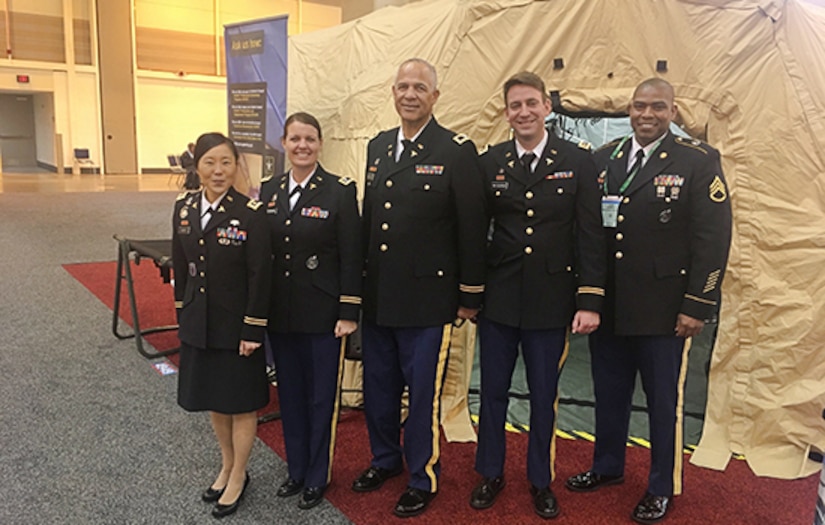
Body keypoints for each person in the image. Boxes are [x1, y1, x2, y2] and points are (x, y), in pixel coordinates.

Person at [565, 78, 732, 524]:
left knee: (663, 403)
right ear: (628, 109)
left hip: (665, 311)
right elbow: (592, 237)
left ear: (672, 111)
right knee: (610, 393)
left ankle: (662, 485)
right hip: (613, 308)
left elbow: (713, 239)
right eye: (639, 106)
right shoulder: (606, 158)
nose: (646, 114)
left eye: (657, 107)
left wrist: (697, 303)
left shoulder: (697, 161)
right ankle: (607, 466)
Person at [352, 58, 487, 518]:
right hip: (379, 298)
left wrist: (470, 295)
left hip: (429, 302)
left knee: (423, 394)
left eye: (419, 88)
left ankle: (421, 476)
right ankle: (385, 459)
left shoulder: (455, 150)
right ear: (393, 93)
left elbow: (472, 228)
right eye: (403, 86)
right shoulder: (378, 147)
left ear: (435, 97)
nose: (410, 94)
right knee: (379, 388)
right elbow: (372, 223)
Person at [470, 72, 605, 519]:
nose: (523, 112)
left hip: (552, 301)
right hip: (500, 300)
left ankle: (540, 480)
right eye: (515, 106)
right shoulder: (490, 162)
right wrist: (470, 294)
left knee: (544, 394)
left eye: (531, 103)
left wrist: (589, 300)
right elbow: (475, 233)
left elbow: (589, 233)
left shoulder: (578, 161)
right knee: (492, 392)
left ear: (547, 106)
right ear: (506, 112)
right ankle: (490, 472)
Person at [260, 112, 362, 510]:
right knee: (290, 395)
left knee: (321, 398)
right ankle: (296, 469)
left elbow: (351, 257)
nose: (302, 145)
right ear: (283, 143)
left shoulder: (339, 191)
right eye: (295, 138)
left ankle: (318, 475)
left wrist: (349, 311)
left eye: (310, 139)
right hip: (281, 315)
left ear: (320, 144)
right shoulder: (268, 191)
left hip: (323, 316)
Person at [171, 132, 271, 519]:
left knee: (241, 403)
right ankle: (227, 465)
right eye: (210, 162)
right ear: (197, 166)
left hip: (236, 326)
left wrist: (252, 329)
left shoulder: (251, 213)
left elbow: (260, 275)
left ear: (236, 166)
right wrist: (184, 315)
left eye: (226, 162)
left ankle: (240, 474)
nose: (218, 171)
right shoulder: (184, 208)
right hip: (200, 322)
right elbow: (181, 267)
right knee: (215, 398)